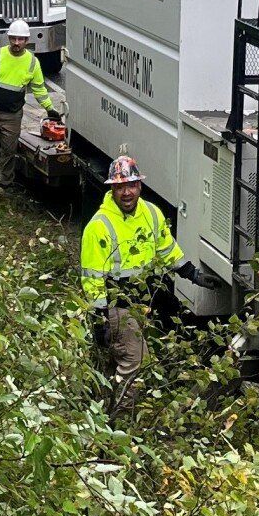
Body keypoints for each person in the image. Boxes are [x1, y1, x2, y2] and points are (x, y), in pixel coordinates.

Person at [79, 154, 184, 398]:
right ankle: (123, 418)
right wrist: (100, 317)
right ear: (112, 189)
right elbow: (92, 277)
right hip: (118, 306)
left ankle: (103, 398)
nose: (127, 192)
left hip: (144, 302)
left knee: (128, 356)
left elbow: (167, 250)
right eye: (120, 187)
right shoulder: (99, 226)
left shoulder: (151, 213)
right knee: (136, 361)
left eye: (131, 185)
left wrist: (193, 273)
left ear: (140, 186)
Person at [0, 17, 57, 182]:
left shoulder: (32, 63)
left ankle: (5, 181)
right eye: (13, 38)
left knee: (9, 151)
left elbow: (39, 89)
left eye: (20, 39)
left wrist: (49, 107)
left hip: (12, 116)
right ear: (9, 38)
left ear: (26, 40)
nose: (16, 42)